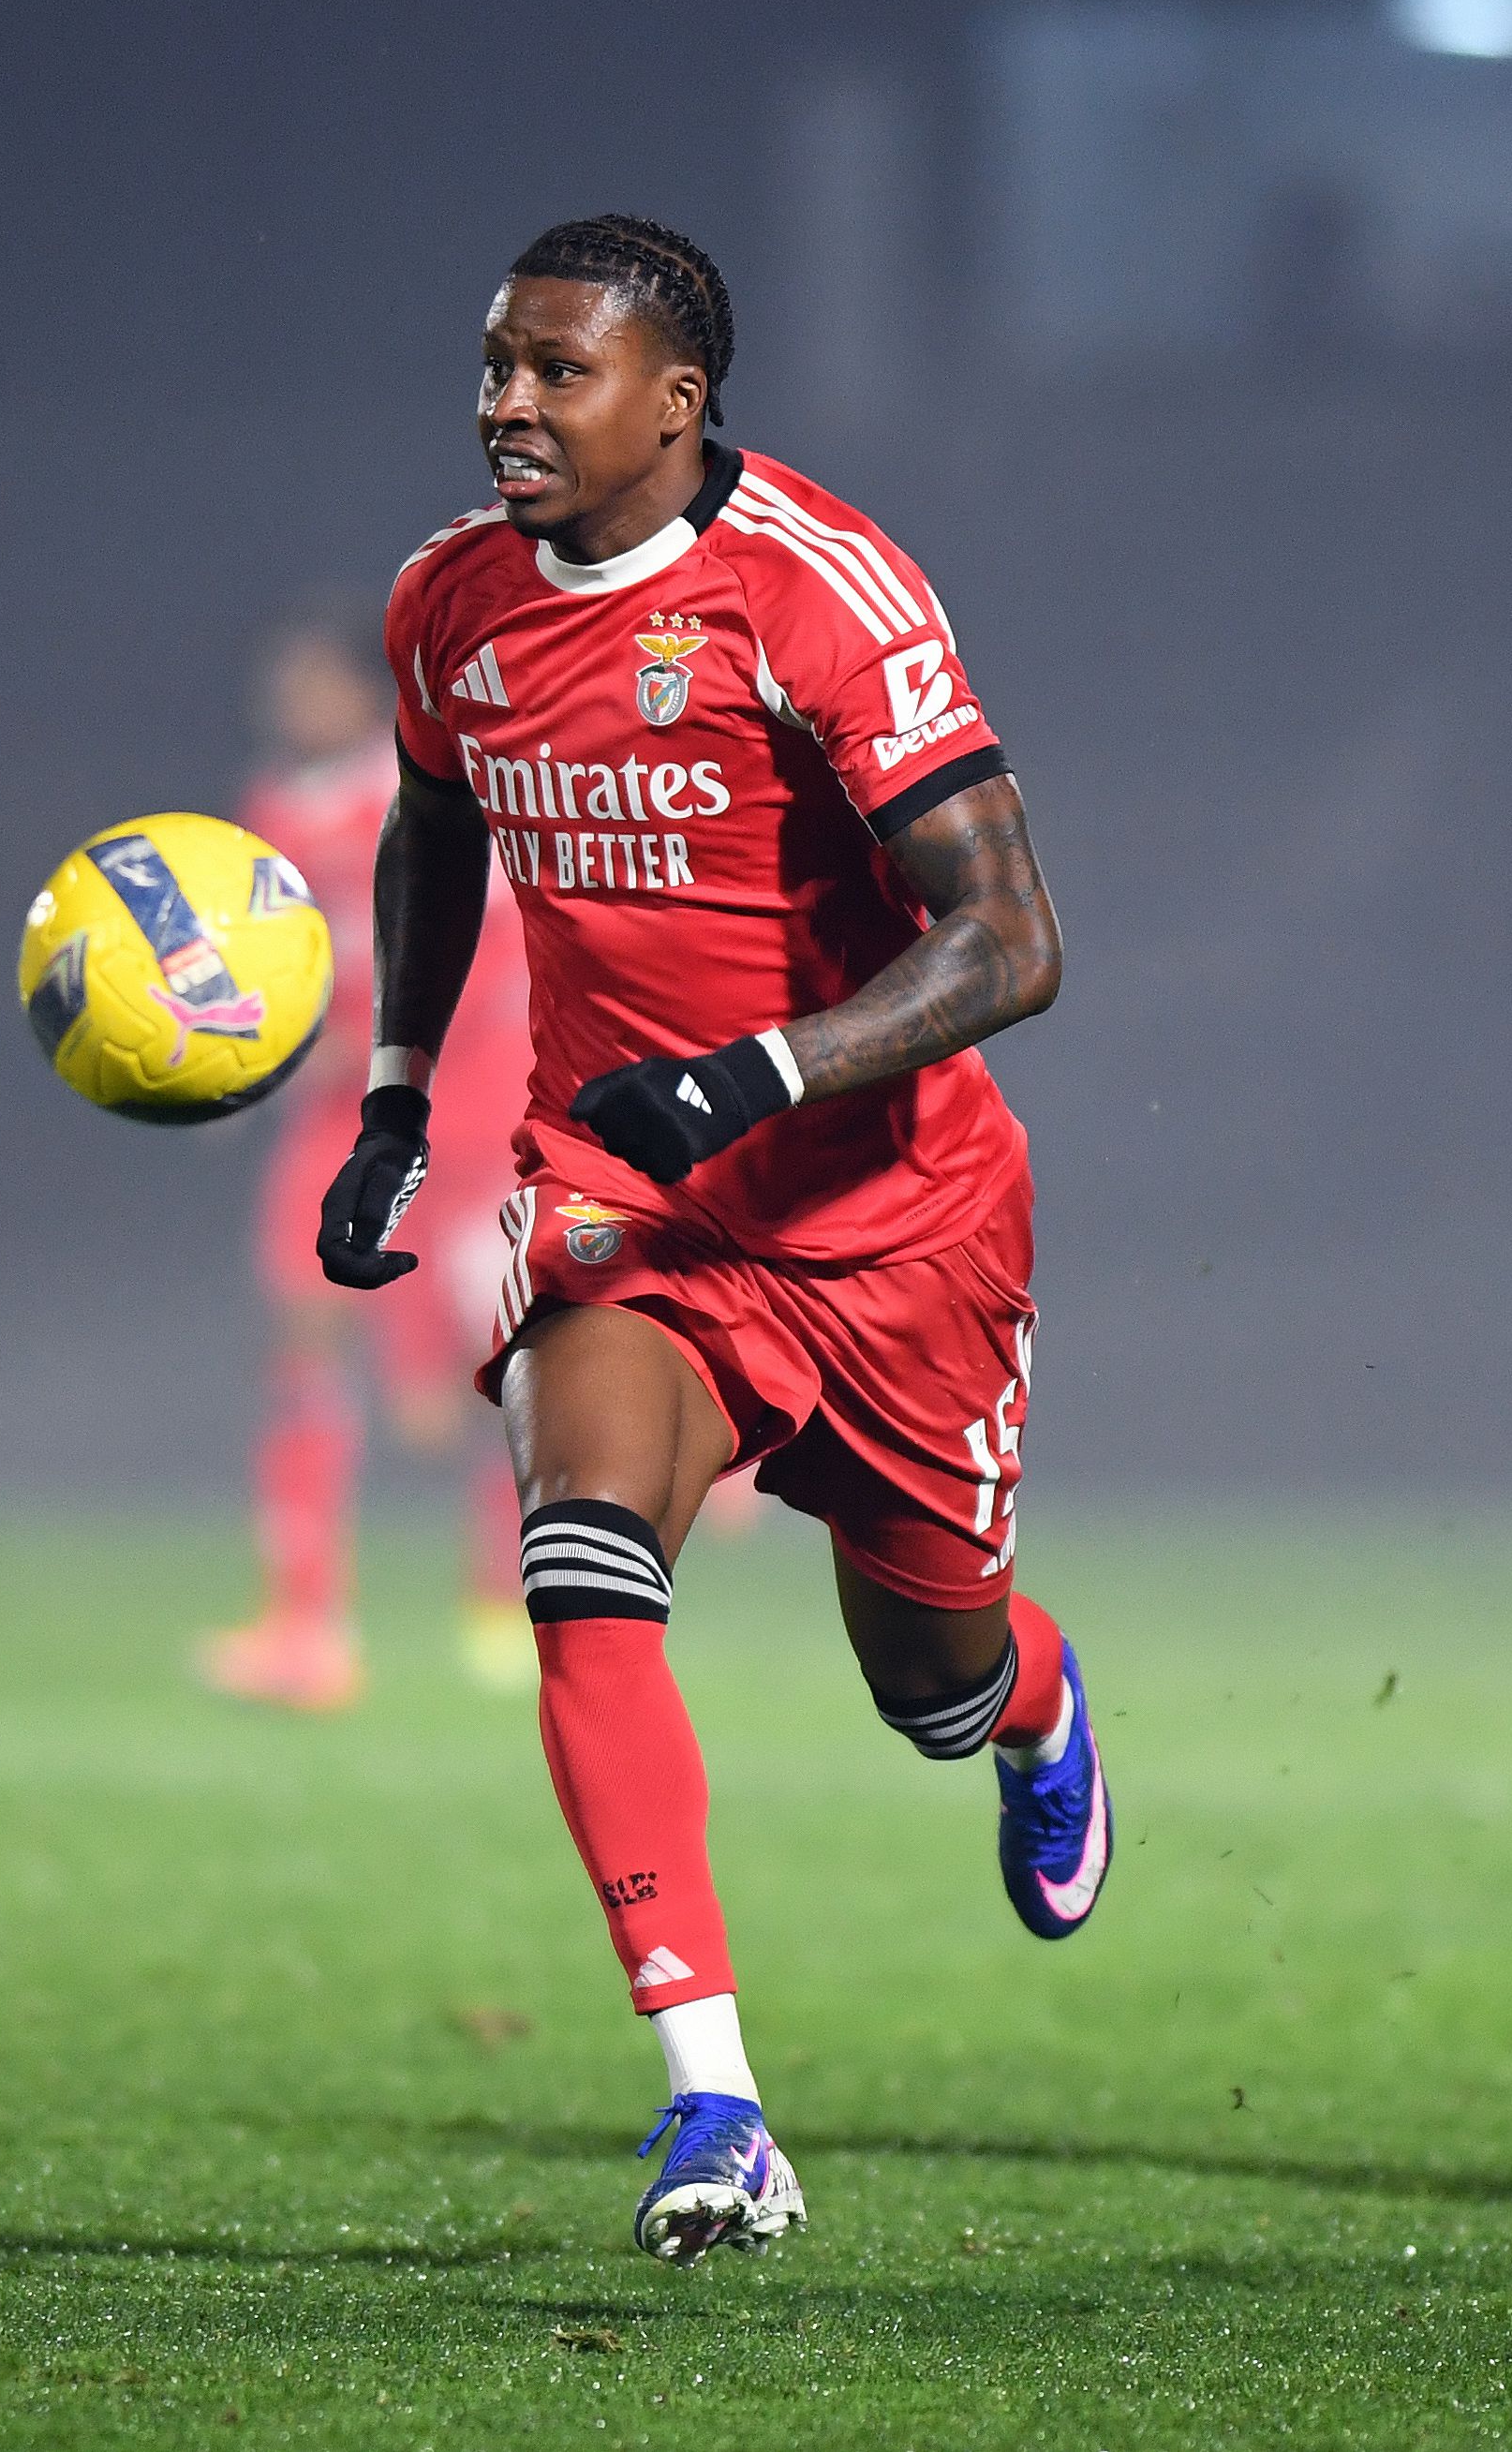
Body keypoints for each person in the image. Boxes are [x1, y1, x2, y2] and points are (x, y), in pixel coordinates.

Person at [316, 215, 1109, 2265]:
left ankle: (1026, 1705)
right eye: (492, 365)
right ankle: (713, 2107)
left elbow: (1011, 940)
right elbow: (434, 818)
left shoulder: (817, 597)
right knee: (576, 1556)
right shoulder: (447, 608)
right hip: (624, 1198)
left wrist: (760, 1077)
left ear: (673, 401)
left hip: (892, 1225)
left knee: (924, 1679)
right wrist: (400, 1096)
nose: (504, 403)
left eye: (552, 372)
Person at [203, 605, 541, 1708]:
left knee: (472, 1387)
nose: (289, 702)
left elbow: (484, 962)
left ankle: (510, 1594)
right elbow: (254, 970)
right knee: (301, 1337)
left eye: (309, 682)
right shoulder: (269, 815)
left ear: (363, 691)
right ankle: (308, 1623)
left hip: (450, 1118)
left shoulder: (434, 795)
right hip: (330, 1124)